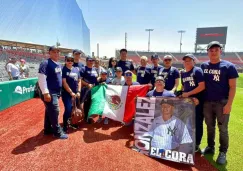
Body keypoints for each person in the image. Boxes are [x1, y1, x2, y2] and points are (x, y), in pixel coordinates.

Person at [201, 41, 238, 164]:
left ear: (220, 51)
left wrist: (229, 104)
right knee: (209, 127)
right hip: (207, 102)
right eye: (211, 50)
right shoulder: (203, 66)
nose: (213, 52)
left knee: (223, 128)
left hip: (222, 102)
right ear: (208, 52)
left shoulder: (229, 66)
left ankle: (223, 152)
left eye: (216, 49)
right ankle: (210, 146)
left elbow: (233, 87)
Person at [38, 46, 68, 139]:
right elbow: (41, 78)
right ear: (49, 53)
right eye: (54, 52)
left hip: (56, 91)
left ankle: (47, 129)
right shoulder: (45, 63)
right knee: (55, 111)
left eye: (58, 52)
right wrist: (45, 92)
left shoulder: (58, 64)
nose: (56, 53)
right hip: (49, 92)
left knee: (49, 110)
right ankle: (57, 132)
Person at [180, 54, 205, 152]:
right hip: (187, 102)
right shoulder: (183, 73)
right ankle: (187, 140)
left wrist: (189, 94)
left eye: (189, 60)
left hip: (197, 101)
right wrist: (182, 93)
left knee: (197, 123)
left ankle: (197, 144)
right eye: (185, 61)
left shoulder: (197, 70)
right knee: (187, 122)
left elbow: (202, 86)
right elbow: (184, 86)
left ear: (194, 61)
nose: (187, 62)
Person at [62, 54, 81, 133]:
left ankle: (73, 122)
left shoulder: (76, 69)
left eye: (71, 60)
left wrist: (79, 91)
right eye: (68, 60)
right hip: (66, 93)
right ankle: (65, 125)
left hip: (76, 93)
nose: (70, 62)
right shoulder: (64, 69)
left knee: (74, 109)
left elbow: (79, 81)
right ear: (65, 61)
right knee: (68, 109)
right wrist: (71, 92)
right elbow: (64, 82)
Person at [80, 56, 99, 124]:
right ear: (87, 61)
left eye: (92, 61)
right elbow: (80, 80)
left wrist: (99, 84)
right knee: (87, 103)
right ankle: (86, 117)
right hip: (86, 89)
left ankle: (90, 116)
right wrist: (87, 84)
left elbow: (96, 79)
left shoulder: (95, 69)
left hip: (94, 89)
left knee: (93, 103)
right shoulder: (83, 69)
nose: (91, 62)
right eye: (90, 60)